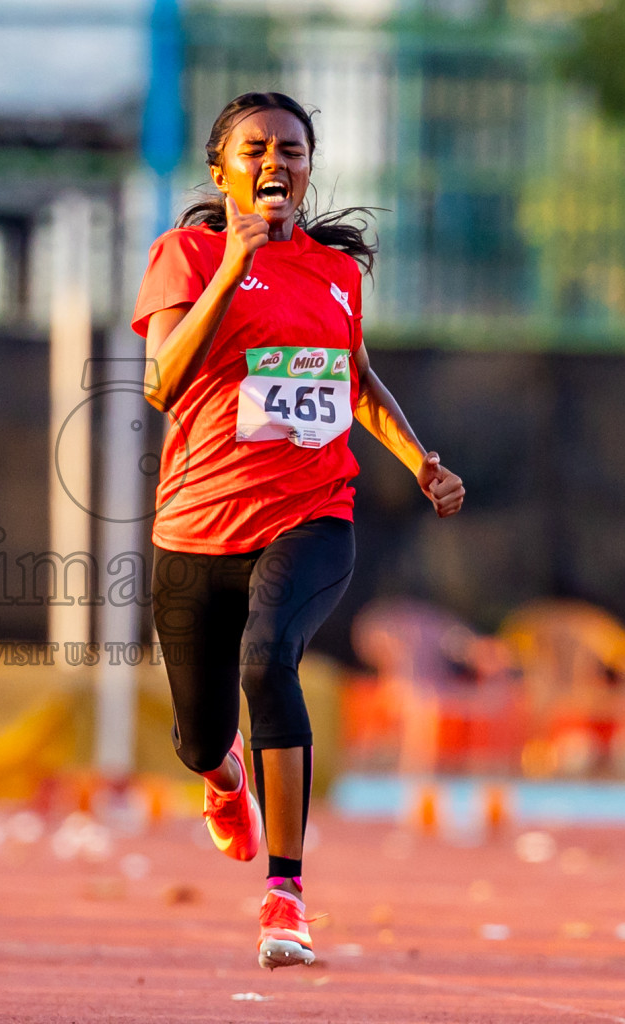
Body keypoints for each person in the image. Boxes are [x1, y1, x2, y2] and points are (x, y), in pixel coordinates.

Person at [133, 91, 465, 970]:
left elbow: (354, 380)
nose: (274, 162)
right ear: (222, 170)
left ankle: (286, 895)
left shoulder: (336, 274)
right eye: (254, 149)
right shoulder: (186, 255)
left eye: (292, 149)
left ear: (311, 168)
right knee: (198, 736)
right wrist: (230, 266)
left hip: (313, 512)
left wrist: (420, 460)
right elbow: (160, 384)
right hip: (196, 527)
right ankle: (224, 776)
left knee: (268, 658)